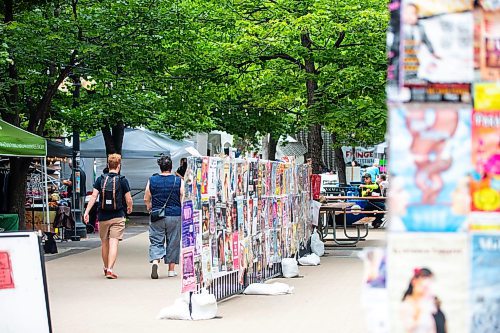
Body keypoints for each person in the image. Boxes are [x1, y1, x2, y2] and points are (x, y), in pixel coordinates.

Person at [84, 154, 133, 279]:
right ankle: (111, 269)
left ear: (108, 165)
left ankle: (105, 268)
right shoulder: (123, 180)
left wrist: (87, 212)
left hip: (103, 216)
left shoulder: (100, 179)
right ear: (119, 166)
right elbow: (128, 199)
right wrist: (129, 207)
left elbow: (94, 197)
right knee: (114, 243)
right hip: (118, 215)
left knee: (104, 243)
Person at [144, 154, 184, 279]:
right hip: (174, 214)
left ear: (160, 167)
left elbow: (146, 197)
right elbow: (182, 195)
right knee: (173, 241)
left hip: (157, 215)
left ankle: (155, 261)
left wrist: (149, 206)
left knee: (156, 239)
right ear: (171, 167)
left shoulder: (152, 180)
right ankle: (171, 270)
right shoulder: (178, 180)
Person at [401, 268, 438, 333]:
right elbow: (408, 327)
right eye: (421, 285)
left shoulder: (427, 304)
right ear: (414, 282)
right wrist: (417, 313)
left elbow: (431, 327)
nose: (424, 289)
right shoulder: (407, 304)